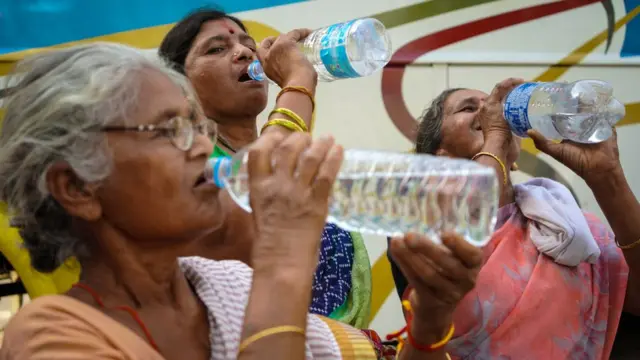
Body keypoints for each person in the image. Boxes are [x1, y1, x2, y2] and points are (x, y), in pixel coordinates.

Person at [0, 41, 483, 360]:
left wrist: (431, 322)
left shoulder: (227, 286)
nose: (199, 147)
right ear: (77, 188)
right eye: (170, 130)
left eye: (198, 126)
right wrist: (284, 259)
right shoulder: (49, 338)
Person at [387, 81, 640, 359]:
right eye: (469, 108)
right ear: (440, 153)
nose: (488, 111)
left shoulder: (566, 223)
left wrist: (608, 178)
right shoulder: (417, 222)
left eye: (493, 106)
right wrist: (495, 135)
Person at [157, 8, 370, 327]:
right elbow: (260, 200)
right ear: (179, 85)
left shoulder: (303, 159)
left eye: (248, 44)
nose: (244, 52)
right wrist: (299, 83)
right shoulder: (185, 163)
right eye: (217, 49)